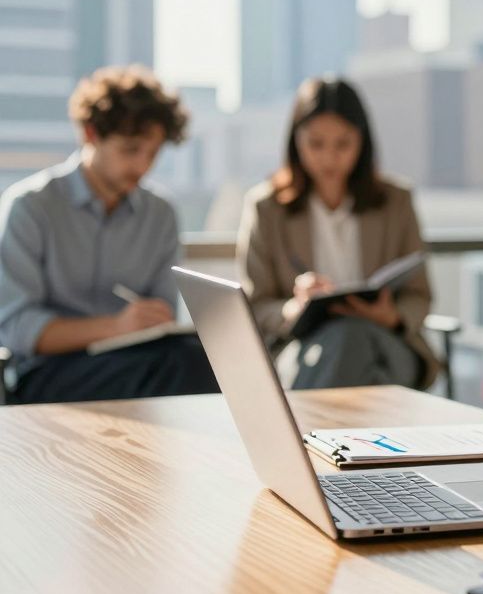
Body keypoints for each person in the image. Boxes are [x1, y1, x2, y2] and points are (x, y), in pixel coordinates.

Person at [0, 65, 219, 403]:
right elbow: (16, 328)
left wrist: (149, 323)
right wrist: (115, 327)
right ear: (91, 134)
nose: (143, 165)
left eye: (153, 152)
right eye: (131, 149)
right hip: (46, 371)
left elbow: (162, 315)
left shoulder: (160, 214)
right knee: (184, 364)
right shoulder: (31, 207)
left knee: (203, 354)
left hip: (135, 363)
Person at [238, 77, 438, 390]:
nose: (330, 157)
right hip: (301, 345)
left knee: (350, 336)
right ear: (296, 142)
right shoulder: (267, 208)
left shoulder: (396, 202)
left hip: (385, 340)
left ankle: (302, 438)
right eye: (316, 144)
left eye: (343, 144)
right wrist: (294, 309)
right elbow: (256, 304)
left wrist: (391, 316)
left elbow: (419, 294)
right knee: (366, 375)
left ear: (362, 141)